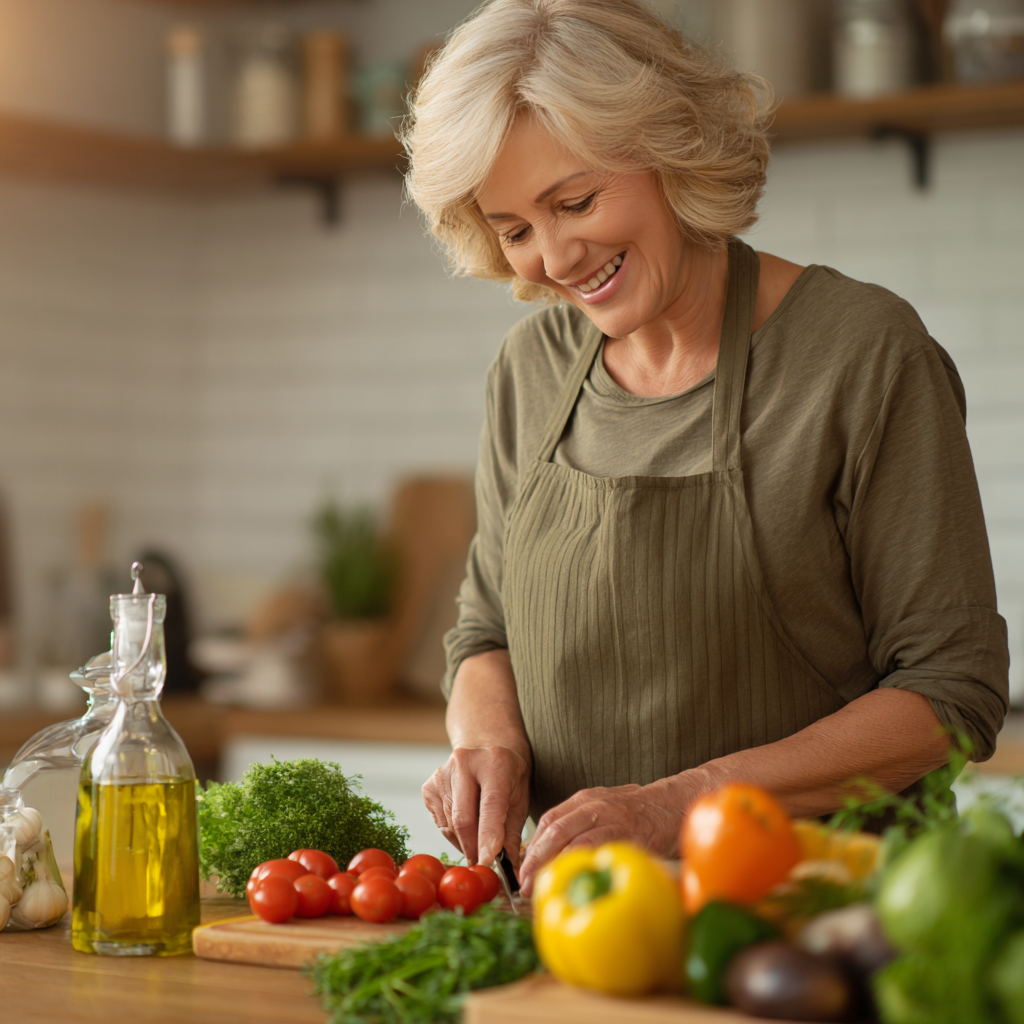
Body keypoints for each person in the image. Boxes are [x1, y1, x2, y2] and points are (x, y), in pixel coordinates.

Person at [403, 0, 1009, 893]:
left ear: (667, 149)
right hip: (586, 929)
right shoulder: (529, 370)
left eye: (575, 202)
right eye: (514, 228)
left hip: (829, 925)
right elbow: (484, 630)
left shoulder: (861, 353)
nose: (556, 257)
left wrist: (678, 803)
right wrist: (486, 741)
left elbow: (950, 693)